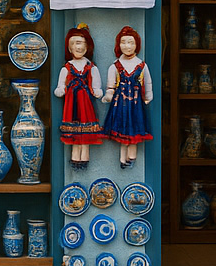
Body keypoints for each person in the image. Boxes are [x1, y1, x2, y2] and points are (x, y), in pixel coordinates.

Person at [101, 26, 153, 169]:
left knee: (135, 129)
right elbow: (111, 84)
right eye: (123, 42)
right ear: (118, 45)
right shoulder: (115, 66)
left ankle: (132, 156)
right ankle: (123, 158)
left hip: (136, 104)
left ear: (137, 45)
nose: (127, 46)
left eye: (130, 42)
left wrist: (148, 95)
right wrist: (108, 95)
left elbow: (147, 81)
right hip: (120, 104)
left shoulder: (141, 65)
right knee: (122, 130)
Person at [54, 26, 104, 169]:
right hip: (72, 103)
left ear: (87, 47)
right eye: (75, 44)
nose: (79, 47)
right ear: (69, 48)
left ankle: (85, 157)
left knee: (86, 132)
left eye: (81, 43)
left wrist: (96, 90)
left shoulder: (90, 67)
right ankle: (75, 157)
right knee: (75, 133)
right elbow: (61, 84)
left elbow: (96, 83)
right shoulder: (67, 67)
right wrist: (61, 89)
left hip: (86, 103)